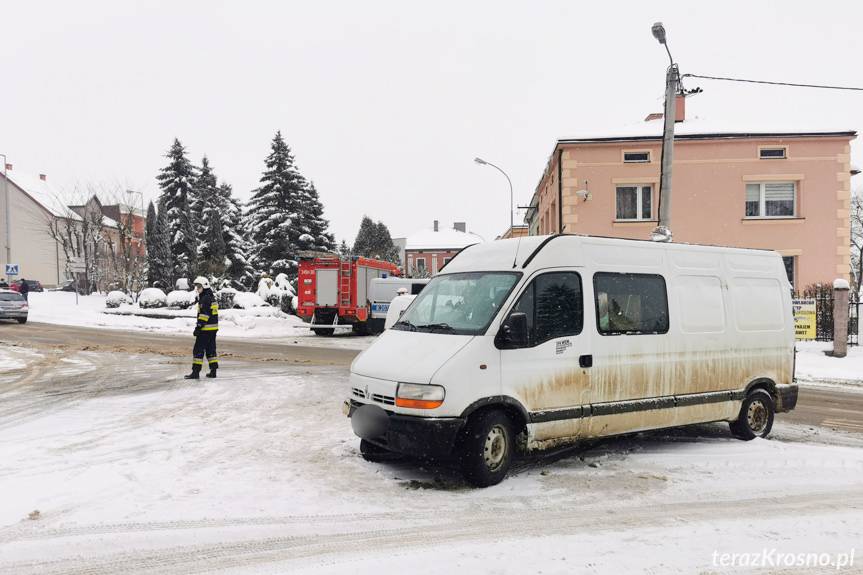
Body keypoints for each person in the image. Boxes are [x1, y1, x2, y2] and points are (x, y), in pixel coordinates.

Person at [185, 276, 219, 379]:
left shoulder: (205, 298)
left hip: (205, 329)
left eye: (199, 286)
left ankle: (195, 372)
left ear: (204, 286)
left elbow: (204, 315)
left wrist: (198, 327)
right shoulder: (211, 297)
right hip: (212, 329)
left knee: (198, 350)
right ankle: (213, 371)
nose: (197, 289)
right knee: (210, 350)